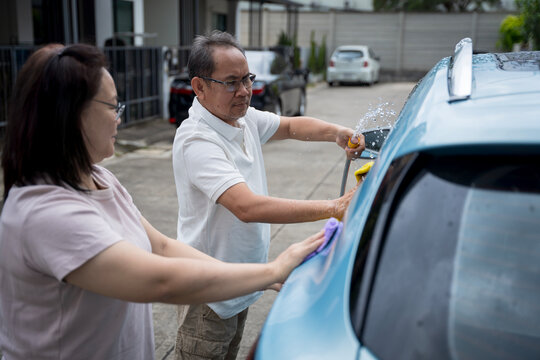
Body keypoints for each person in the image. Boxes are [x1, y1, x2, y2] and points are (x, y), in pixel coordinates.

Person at [0, 43, 326, 360]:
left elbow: (163, 247)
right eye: (113, 107)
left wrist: (262, 277)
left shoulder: (101, 179)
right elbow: (161, 281)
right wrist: (271, 270)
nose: (120, 119)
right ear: (71, 114)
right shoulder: (46, 213)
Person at [172, 30, 365, 360]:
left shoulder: (240, 118)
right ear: (199, 87)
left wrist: (337, 132)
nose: (244, 91)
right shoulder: (198, 141)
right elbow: (246, 207)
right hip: (209, 297)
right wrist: (334, 207)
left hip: (241, 284)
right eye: (231, 82)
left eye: (247, 79)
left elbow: (290, 127)